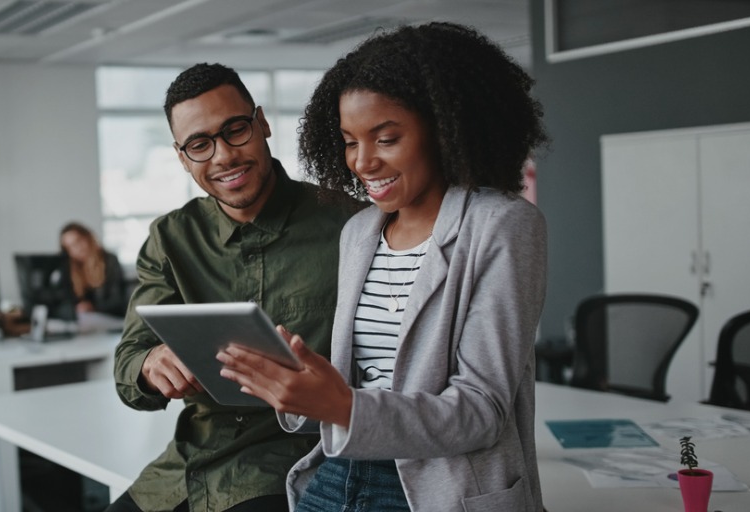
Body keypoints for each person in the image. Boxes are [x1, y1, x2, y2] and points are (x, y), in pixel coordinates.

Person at [217, 22, 549, 511]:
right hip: (341, 472)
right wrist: (301, 385)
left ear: (444, 129)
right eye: (350, 141)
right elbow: (363, 386)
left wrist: (343, 405)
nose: (362, 162)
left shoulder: (503, 225)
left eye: (386, 138)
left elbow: (483, 411)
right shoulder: (359, 233)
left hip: (438, 488)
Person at [110, 63, 360, 512]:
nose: (223, 156)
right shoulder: (170, 239)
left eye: (235, 130)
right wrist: (150, 363)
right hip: (188, 466)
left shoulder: (349, 223)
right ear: (182, 156)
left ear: (261, 123)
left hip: (297, 464)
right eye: (200, 145)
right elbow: (128, 363)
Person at [59, 221, 128, 317]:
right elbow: (63, 302)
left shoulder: (109, 260)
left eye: (78, 241)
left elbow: (118, 301)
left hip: (110, 319)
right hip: (84, 322)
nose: (76, 248)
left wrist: (93, 308)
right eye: (70, 247)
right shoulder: (68, 269)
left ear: (88, 237)